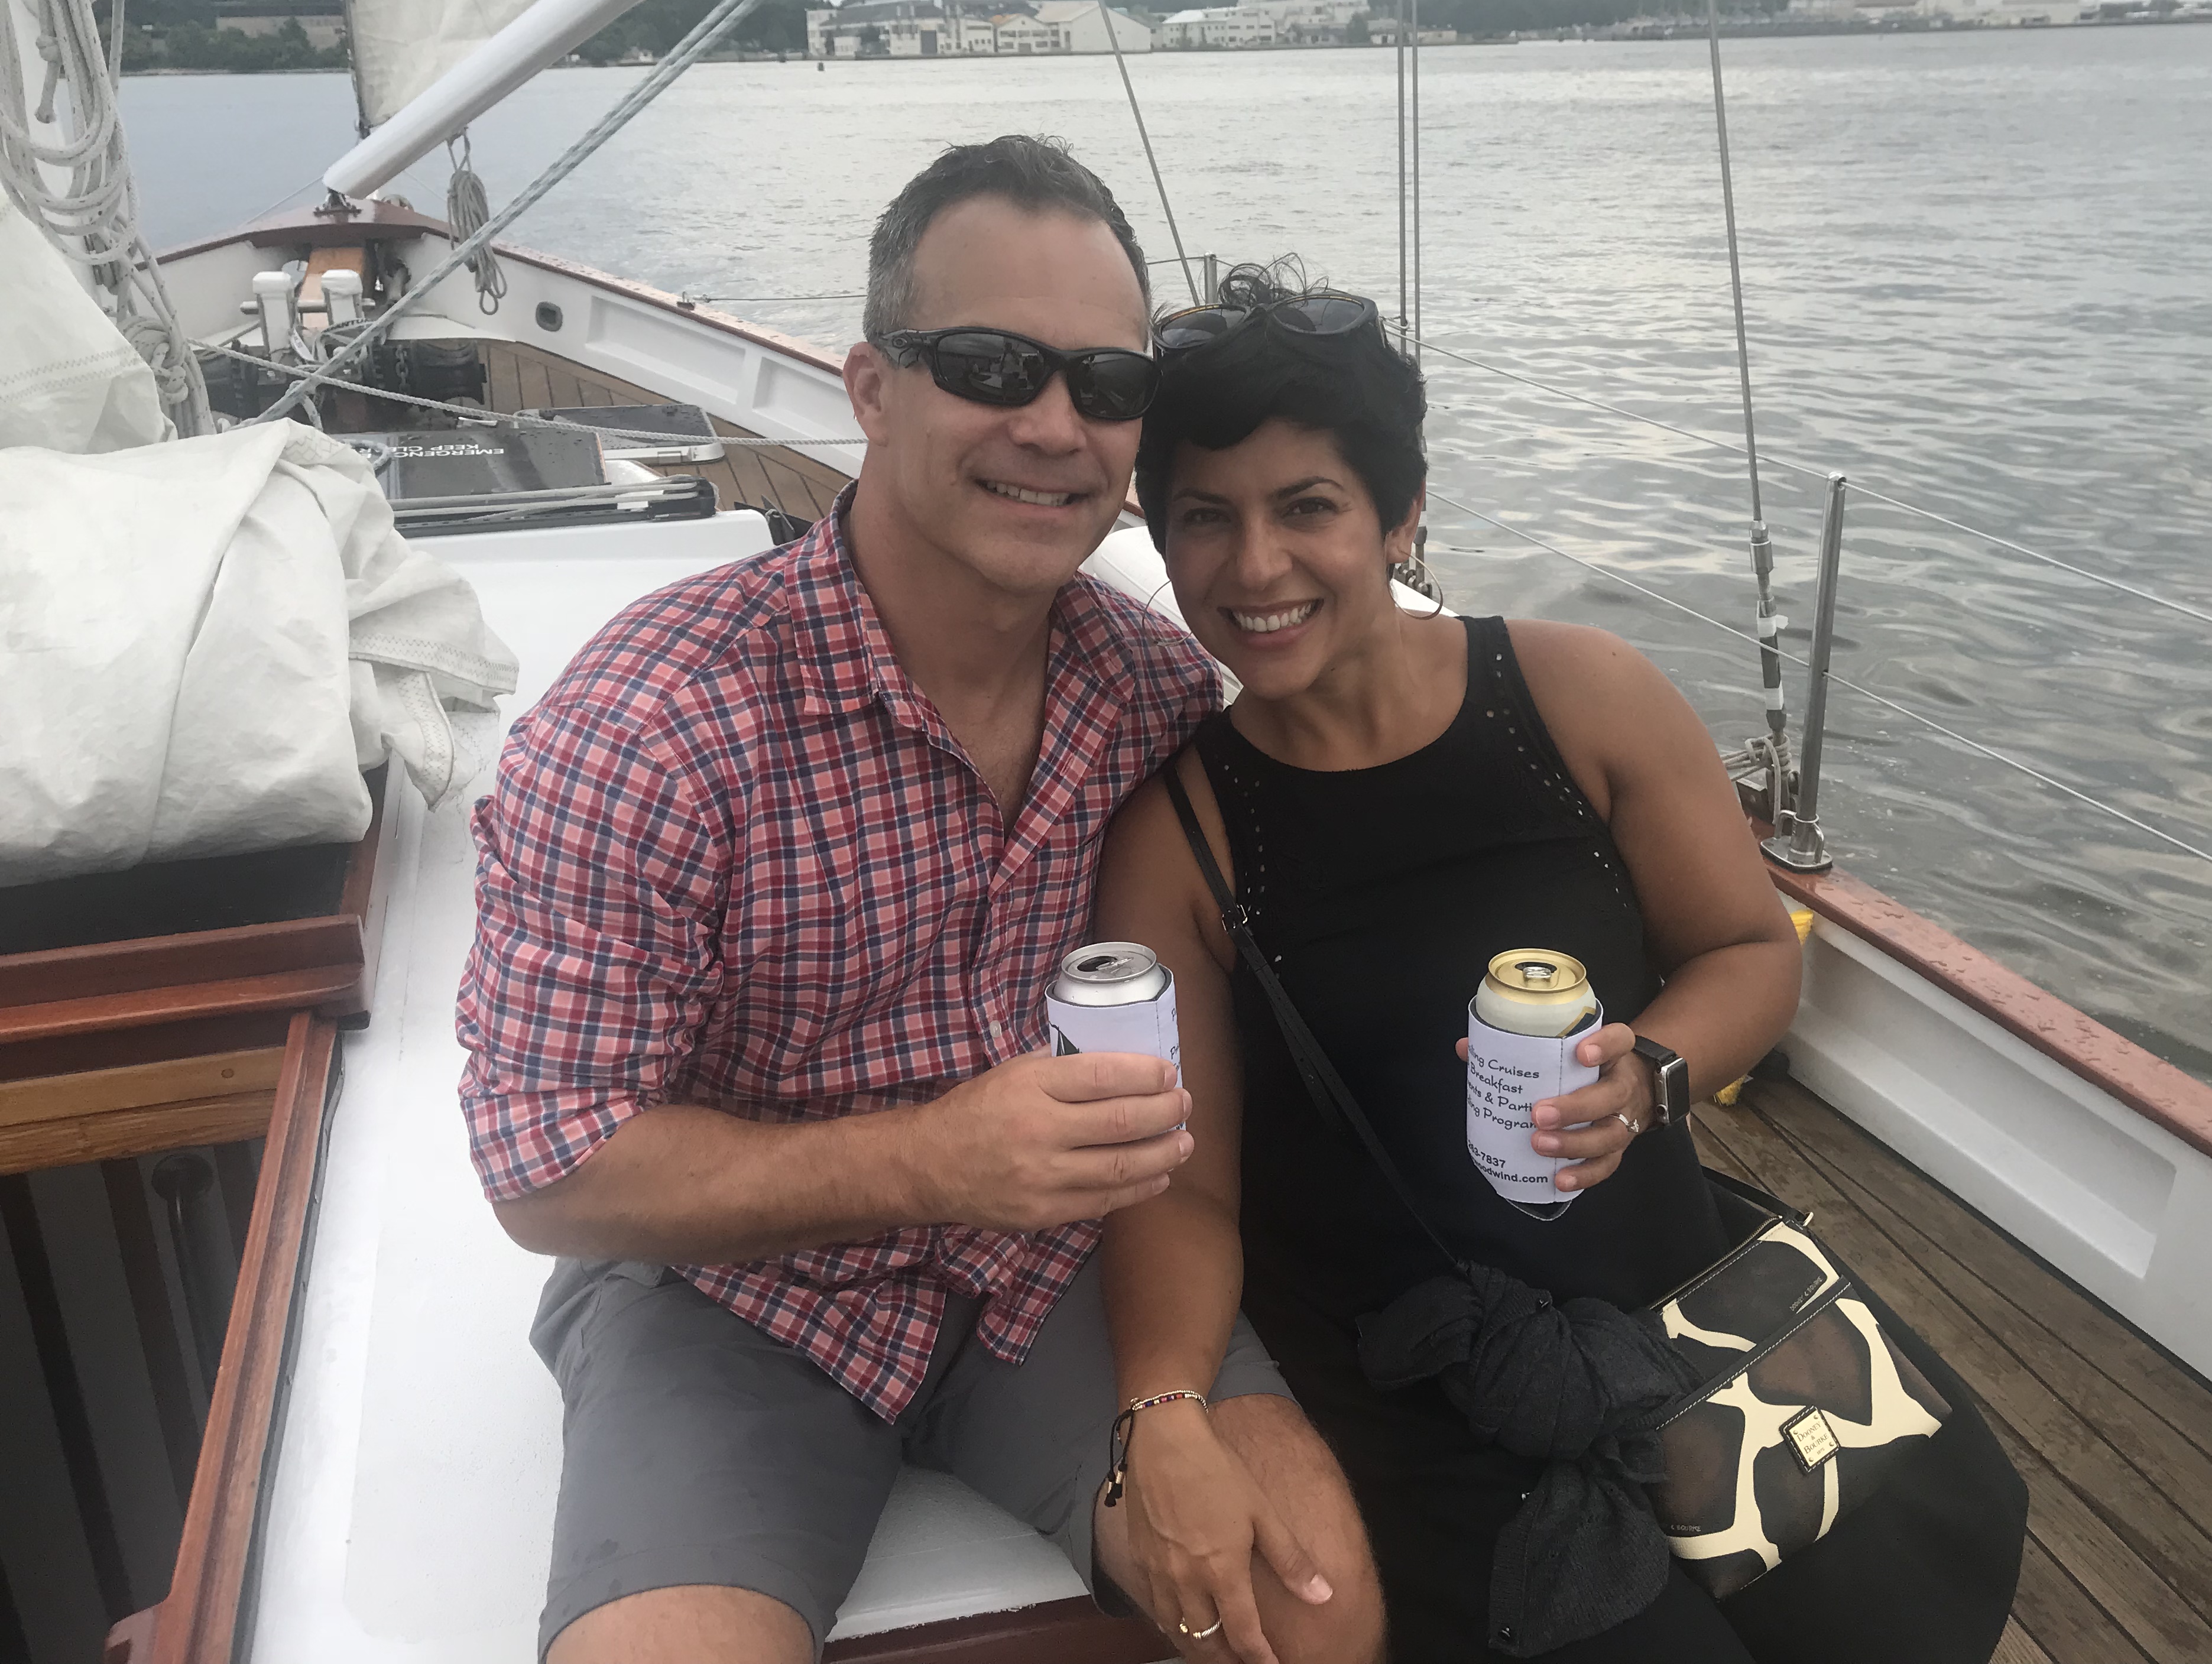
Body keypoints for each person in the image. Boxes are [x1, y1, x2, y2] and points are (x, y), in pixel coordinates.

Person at [455, 146, 1383, 1664]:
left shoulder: (1148, 694)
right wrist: (937, 1159)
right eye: (992, 366)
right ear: (874, 389)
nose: (1054, 426)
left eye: (1103, 383)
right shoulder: (654, 728)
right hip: (734, 1305)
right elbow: (547, 1171)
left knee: (1311, 1609)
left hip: (1065, 1265)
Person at [1094, 266, 2029, 1662]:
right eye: (1205, 520)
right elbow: (1186, 1184)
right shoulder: (1185, 835)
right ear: (1161, 538)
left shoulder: (1580, 695)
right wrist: (1165, 1405)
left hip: (1672, 1305)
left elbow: (1743, 953)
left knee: (1911, 1577)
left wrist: (1653, 1069)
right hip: (1418, 1378)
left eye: (1309, 508)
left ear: (1402, 515)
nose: (1257, 569)